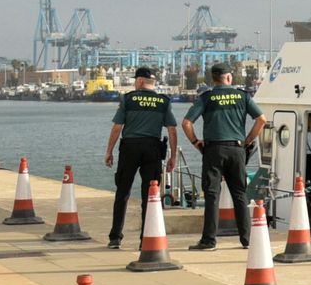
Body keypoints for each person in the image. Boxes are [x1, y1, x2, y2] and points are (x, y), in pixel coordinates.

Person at [182, 64, 267, 250]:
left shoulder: (207, 97)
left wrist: (196, 142)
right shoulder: (243, 96)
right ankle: (247, 240)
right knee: (240, 194)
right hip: (237, 149)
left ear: (213, 79)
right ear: (229, 77)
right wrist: (247, 141)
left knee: (212, 195)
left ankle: (209, 241)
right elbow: (261, 120)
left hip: (213, 150)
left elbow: (186, 123)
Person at [104, 67, 178, 250]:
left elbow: (117, 127)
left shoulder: (128, 99)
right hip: (152, 149)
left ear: (140, 81)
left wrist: (109, 151)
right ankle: (145, 239)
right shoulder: (163, 101)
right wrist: (173, 156)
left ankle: (115, 238)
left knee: (122, 192)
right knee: (149, 195)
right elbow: (172, 130)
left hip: (129, 148)